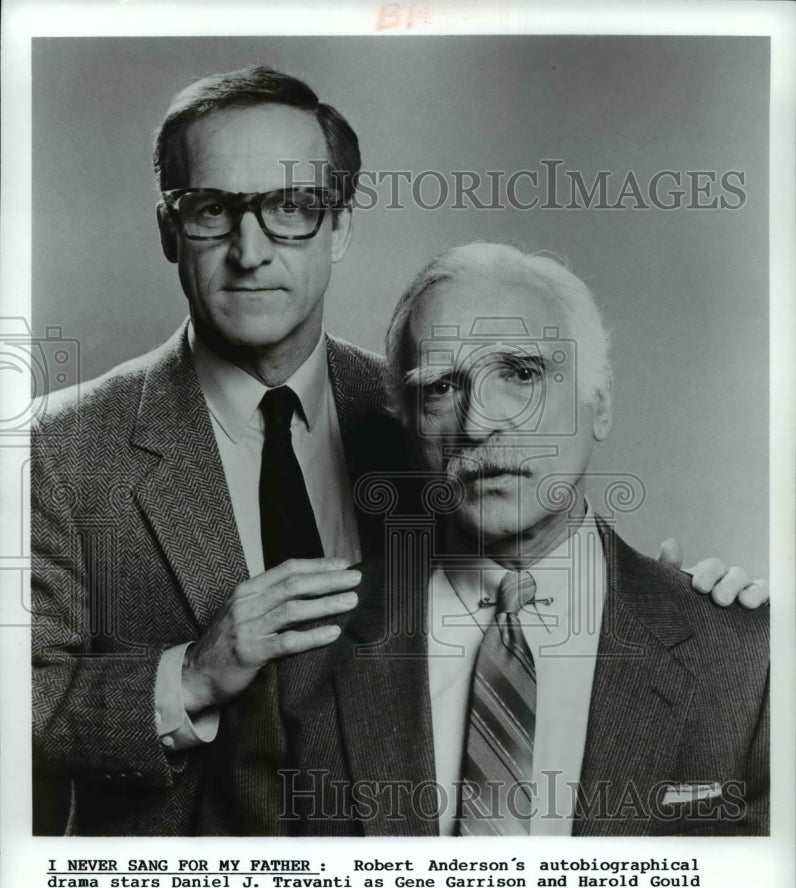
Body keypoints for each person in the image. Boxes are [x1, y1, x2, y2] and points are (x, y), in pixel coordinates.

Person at [32, 67, 766, 836]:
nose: (251, 251)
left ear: (340, 227)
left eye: (292, 207)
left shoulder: (417, 405)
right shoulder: (57, 448)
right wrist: (189, 676)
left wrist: (677, 605)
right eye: (212, 210)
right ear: (169, 228)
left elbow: (535, 541)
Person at [274, 244, 769, 836]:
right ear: (406, 422)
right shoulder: (301, 659)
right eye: (441, 387)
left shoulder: (749, 658)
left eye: (522, 374)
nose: (479, 422)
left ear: (600, 403)